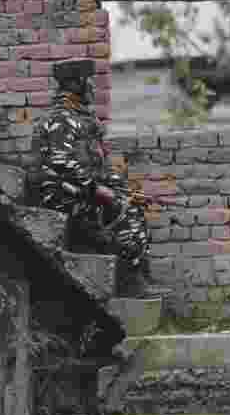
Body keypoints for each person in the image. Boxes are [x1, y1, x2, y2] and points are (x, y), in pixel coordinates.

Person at [32, 58, 158, 297]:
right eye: (88, 82)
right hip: (62, 195)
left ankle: (138, 274)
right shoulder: (61, 118)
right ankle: (130, 282)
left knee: (132, 204)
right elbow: (62, 165)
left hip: (81, 190)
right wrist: (100, 191)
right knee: (124, 212)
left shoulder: (82, 118)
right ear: (77, 84)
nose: (92, 88)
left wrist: (123, 189)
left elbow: (97, 167)